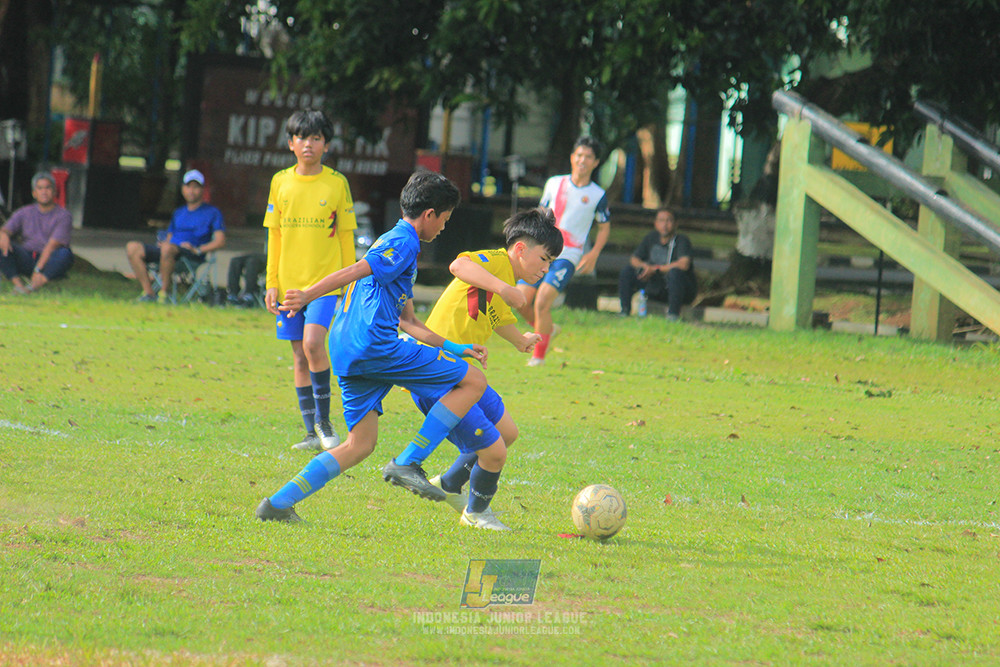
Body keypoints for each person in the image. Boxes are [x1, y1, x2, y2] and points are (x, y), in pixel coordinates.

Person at [255, 170, 497, 526]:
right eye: (444, 220)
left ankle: (277, 504)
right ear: (429, 215)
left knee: (360, 444)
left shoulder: (398, 247)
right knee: (473, 382)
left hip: (346, 348)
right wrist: (308, 294)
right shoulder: (404, 241)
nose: (443, 228)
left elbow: (409, 322)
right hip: (374, 346)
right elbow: (355, 269)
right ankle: (408, 461)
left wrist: (457, 347)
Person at [387, 206, 563, 530]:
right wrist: (503, 288)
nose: (546, 268)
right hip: (437, 374)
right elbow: (459, 264)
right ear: (520, 249)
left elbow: (497, 319)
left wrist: (520, 340)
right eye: (544, 259)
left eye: (551, 263)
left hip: (464, 376)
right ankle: (476, 513)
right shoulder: (495, 263)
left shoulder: (504, 279)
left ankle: (450, 483)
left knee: (507, 433)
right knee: (494, 454)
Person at [263, 109, 358, 454]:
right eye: (302, 138)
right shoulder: (280, 182)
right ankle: (310, 432)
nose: (308, 144)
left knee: (314, 343)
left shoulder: (336, 183)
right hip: (288, 287)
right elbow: (274, 235)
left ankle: (325, 422)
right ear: (291, 143)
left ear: (326, 146)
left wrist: (350, 282)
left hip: (325, 285)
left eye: (316, 138)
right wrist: (272, 281)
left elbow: (347, 237)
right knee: (299, 356)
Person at [516, 136, 610, 367]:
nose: (582, 160)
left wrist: (593, 253)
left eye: (588, 157)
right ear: (572, 157)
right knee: (520, 300)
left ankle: (538, 356)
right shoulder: (554, 183)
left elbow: (605, 226)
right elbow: (541, 212)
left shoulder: (597, 195)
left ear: (596, 162)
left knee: (542, 302)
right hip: (543, 247)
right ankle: (548, 329)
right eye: (579, 155)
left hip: (569, 254)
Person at [125, 169, 226, 304]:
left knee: (167, 249)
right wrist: (164, 243)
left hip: (190, 253)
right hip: (169, 250)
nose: (191, 191)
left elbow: (220, 241)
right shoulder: (179, 212)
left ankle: (164, 294)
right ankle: (148, 293)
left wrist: (199, 249)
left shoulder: (212, 212)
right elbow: (170, 236)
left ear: (202, 189)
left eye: (195, 187)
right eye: (188, 187)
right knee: (133, 247)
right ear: (183, 189)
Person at [0, 171, 74, 294]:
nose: (44, 192)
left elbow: (52, 245)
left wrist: (38, 270)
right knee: (3, 245)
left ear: (54, 191)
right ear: (34, 193)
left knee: (65, 254)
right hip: (27, 257)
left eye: (47, 188)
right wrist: (4, 235)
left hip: (50, 259)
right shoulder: (24, 212)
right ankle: (18, 285)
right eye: (39, 188)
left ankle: (35, 285)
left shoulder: (64, 215)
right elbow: (6, 229)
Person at [618, 207, 697, 320]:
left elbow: (684, 264)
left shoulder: (681, 240)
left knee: (675, 273)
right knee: (628, 271)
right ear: (655, 223)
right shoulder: (651, 238)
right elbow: (634, 259)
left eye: (668, 220)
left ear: (675, 224)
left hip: (676, 287)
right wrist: (645, 267)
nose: (664, 224)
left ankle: (673, 314)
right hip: (655, 285)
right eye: (661, 220)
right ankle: (625, 310)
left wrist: (656, 269)